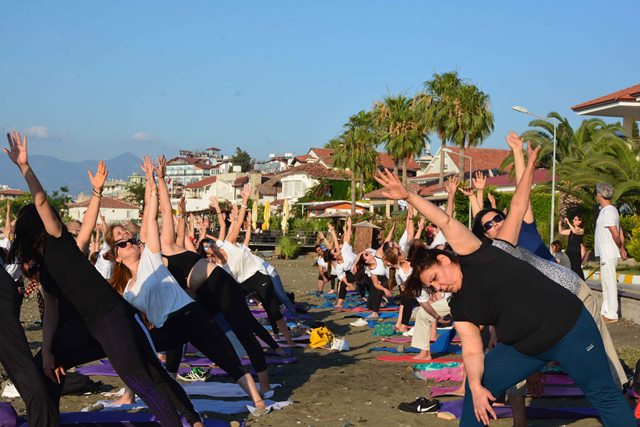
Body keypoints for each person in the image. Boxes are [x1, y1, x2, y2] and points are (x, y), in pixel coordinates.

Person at [375, 141, 635, 426]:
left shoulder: (479, 253)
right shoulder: (460, 305)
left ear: (444, 260)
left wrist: (409, 196)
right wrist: (473, 384)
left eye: (435, 279)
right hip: (525, 348)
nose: (439, 288)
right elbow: (472, 350)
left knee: (605, 395)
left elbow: (449, 220)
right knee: (480, 390)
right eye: (432, 287)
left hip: (570, 329)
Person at [5, 131, 202, 426]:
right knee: (44, 370)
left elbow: (43, 199)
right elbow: (52, 315)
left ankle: (187, 420)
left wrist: (24, 168)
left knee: (141, 378)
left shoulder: (59, 240)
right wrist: (47, 352)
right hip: (89, 326)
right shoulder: (46, 269)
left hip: (111, 317)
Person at [106, 156, 267, 413]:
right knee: (136, 351)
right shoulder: (127, 290)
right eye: (122, 243)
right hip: (167, 327)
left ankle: (258, 401)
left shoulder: (152, 257)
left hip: (191, 315)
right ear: (117, 256)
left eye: (130, 238)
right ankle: (130, 395)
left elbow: (152, 217)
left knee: (226, 359)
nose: (130, 242)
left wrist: (154, 181)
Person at [594, 182, 626, 323]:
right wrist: (622, 247)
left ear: (599, 195)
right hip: (607, 252)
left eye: (596, 193)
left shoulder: (607, 211)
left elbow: (615, 232)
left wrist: (619, 246)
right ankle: (606, 311)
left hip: (608, 252)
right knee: (606, 283)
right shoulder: (610, 210)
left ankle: (612, 313)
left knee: (609, 283)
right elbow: (620, 231)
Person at [558, 214, 585, 279]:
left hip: (576, 253)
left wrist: (568, 223)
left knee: (576, 268)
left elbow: (575, 232)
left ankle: (582, 281)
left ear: (580, 221)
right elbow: (561, 232)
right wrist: (560, 223)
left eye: (575, 219)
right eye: (573, 219)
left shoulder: (581, 230)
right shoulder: (571, 230)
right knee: (568, 267)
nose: (573, 220)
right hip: (569, 251)